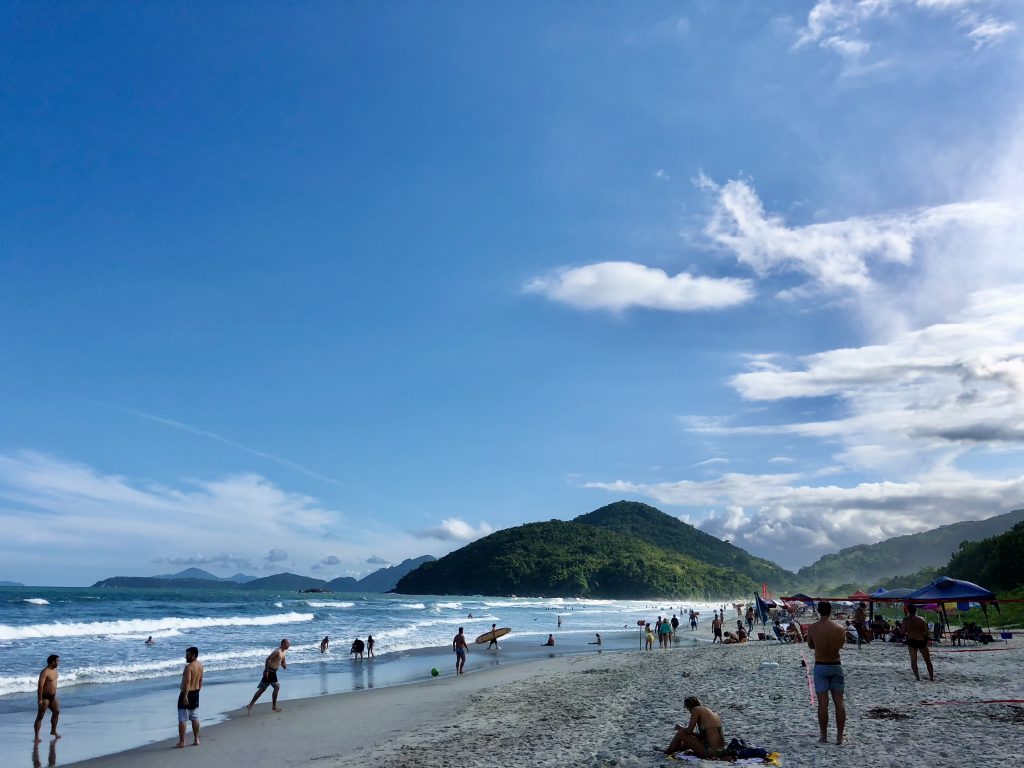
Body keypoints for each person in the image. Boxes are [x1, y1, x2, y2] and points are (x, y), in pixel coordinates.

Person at [806, 601, 847, 745]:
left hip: (821, 666)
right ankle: (839, 736)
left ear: (819, 611)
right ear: (831, 611)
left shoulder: (813, 628)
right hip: (836, 665)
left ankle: (824, 736)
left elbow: (811, 645)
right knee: (839, 702)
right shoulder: (840, 628)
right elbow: (841, 645)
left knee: (823, 703)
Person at [662, 696, 727, 758]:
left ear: (689, 706)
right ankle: (673, 749)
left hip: (711, 752)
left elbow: (689, 731)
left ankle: (667, 751)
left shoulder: (696, 710)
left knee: (681, 733)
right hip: (720, 751)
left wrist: (681, 728)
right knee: (688, 741)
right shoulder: (708, 711)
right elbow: (703, 736)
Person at [246, 638, 290, 714]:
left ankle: (250, 704)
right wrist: (266, 671)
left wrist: (284, 665)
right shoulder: (277, 651)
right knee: (277, 686)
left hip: (273, 672)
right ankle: (274, 706)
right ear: (283, 644)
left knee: (262, 690)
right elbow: (268, 659)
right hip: (270, 672)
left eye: (289, 643)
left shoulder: (284, 652)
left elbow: (282, 661)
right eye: (288, 643)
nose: (289, 645)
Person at [176, 646, 203, 748]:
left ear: (193, 655)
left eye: (187, 655)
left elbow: (187, 683)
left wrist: (185, 696)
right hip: (196, 693)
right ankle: (196, 739)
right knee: (194, 717)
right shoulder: (200, 666)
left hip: (186, 693)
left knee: (182, 718)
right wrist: (197, 691)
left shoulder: (189, 667)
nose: (186, 657)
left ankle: (182, 741)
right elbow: (201, 681)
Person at [903, 605, 934, 681]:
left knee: (913, 660)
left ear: (908, 611)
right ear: (915, 611)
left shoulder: (905, 620)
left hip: (911, 640)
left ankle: (917, 678)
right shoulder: (921, 619)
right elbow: (927, 632)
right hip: (921, 640)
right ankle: (931, 678)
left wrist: (909, 632)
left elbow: (903, 632)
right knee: (927, 660)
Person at [34, 655, 60, 743]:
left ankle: (53, 730)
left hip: (52, 697)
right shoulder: (45, 672)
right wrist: (39, 699)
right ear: (52, 661)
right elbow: (40, 686)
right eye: (57, 661)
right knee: (40, 716)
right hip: (45, 697)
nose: (58, 662)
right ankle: (36, 737)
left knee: (56, 712)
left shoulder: (55, 671)